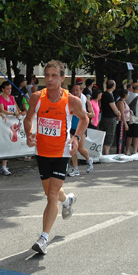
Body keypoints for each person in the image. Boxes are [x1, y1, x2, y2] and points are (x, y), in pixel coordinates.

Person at [23, 60, 88, 254]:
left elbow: (84, 119)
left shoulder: (70, 100)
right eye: (47, 75)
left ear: (62, 78)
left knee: (51, 195)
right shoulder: (37, 97)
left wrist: (76, 137)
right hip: (42, 151)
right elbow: (28, 119)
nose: (49, 79)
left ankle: (43, 238)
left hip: (62, 153)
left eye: (54, 75)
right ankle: (67, 200)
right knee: (50, 192)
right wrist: (29, 133)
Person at [0, 81, 25, 176]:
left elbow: (17, 109)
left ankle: (4, 165)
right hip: (3, 123)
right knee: (4, 142)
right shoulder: (0, 98)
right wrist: (13, 113)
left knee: (9, 142)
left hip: (12, 124)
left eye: (10, 89)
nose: (9, 91)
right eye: (7, 89)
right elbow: (2, 110)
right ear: (2, 89)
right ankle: (3, 165)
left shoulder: (12, 98)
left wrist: (20, 112)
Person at [67, 83, 94, 176]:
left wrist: (84, 113)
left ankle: (88, 159)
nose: (75, 92)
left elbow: (92, 114)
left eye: (77, 90)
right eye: (73, 90)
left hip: (81, 127)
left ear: (81, 90)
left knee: (80, 148)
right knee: (72, 147)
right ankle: (75, 169)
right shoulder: (70, 100)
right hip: (72, 127)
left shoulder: (86, 101)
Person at [99, 79, 121, 155]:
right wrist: (118, 113)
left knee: (103, 134)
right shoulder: (109, 95)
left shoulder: (103, 94)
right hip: (110, 118)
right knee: (109, 135)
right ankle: (106, 152)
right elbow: (113, 108)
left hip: (104, 116)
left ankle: (102, 152)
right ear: (113, 86)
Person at [125, 83, 138, 155]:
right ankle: (134, 150)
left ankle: (127, 150)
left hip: (129, 118)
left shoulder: (128, 96)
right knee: (136, 136)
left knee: (129, 135)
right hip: (137, 119)